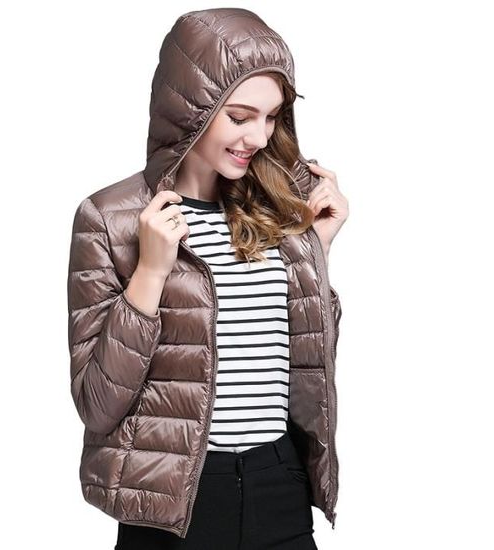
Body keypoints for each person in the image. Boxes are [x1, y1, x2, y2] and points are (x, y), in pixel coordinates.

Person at [67, 7, 348, 550]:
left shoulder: (278, 214)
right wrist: (151, 272)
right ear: (191, 108)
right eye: (240, 117)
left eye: (272, 117)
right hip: (174, 501)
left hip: (279, 483)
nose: (259, 137)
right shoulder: (111, 218)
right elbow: (98, 404)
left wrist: (318, 251)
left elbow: (306, 368)